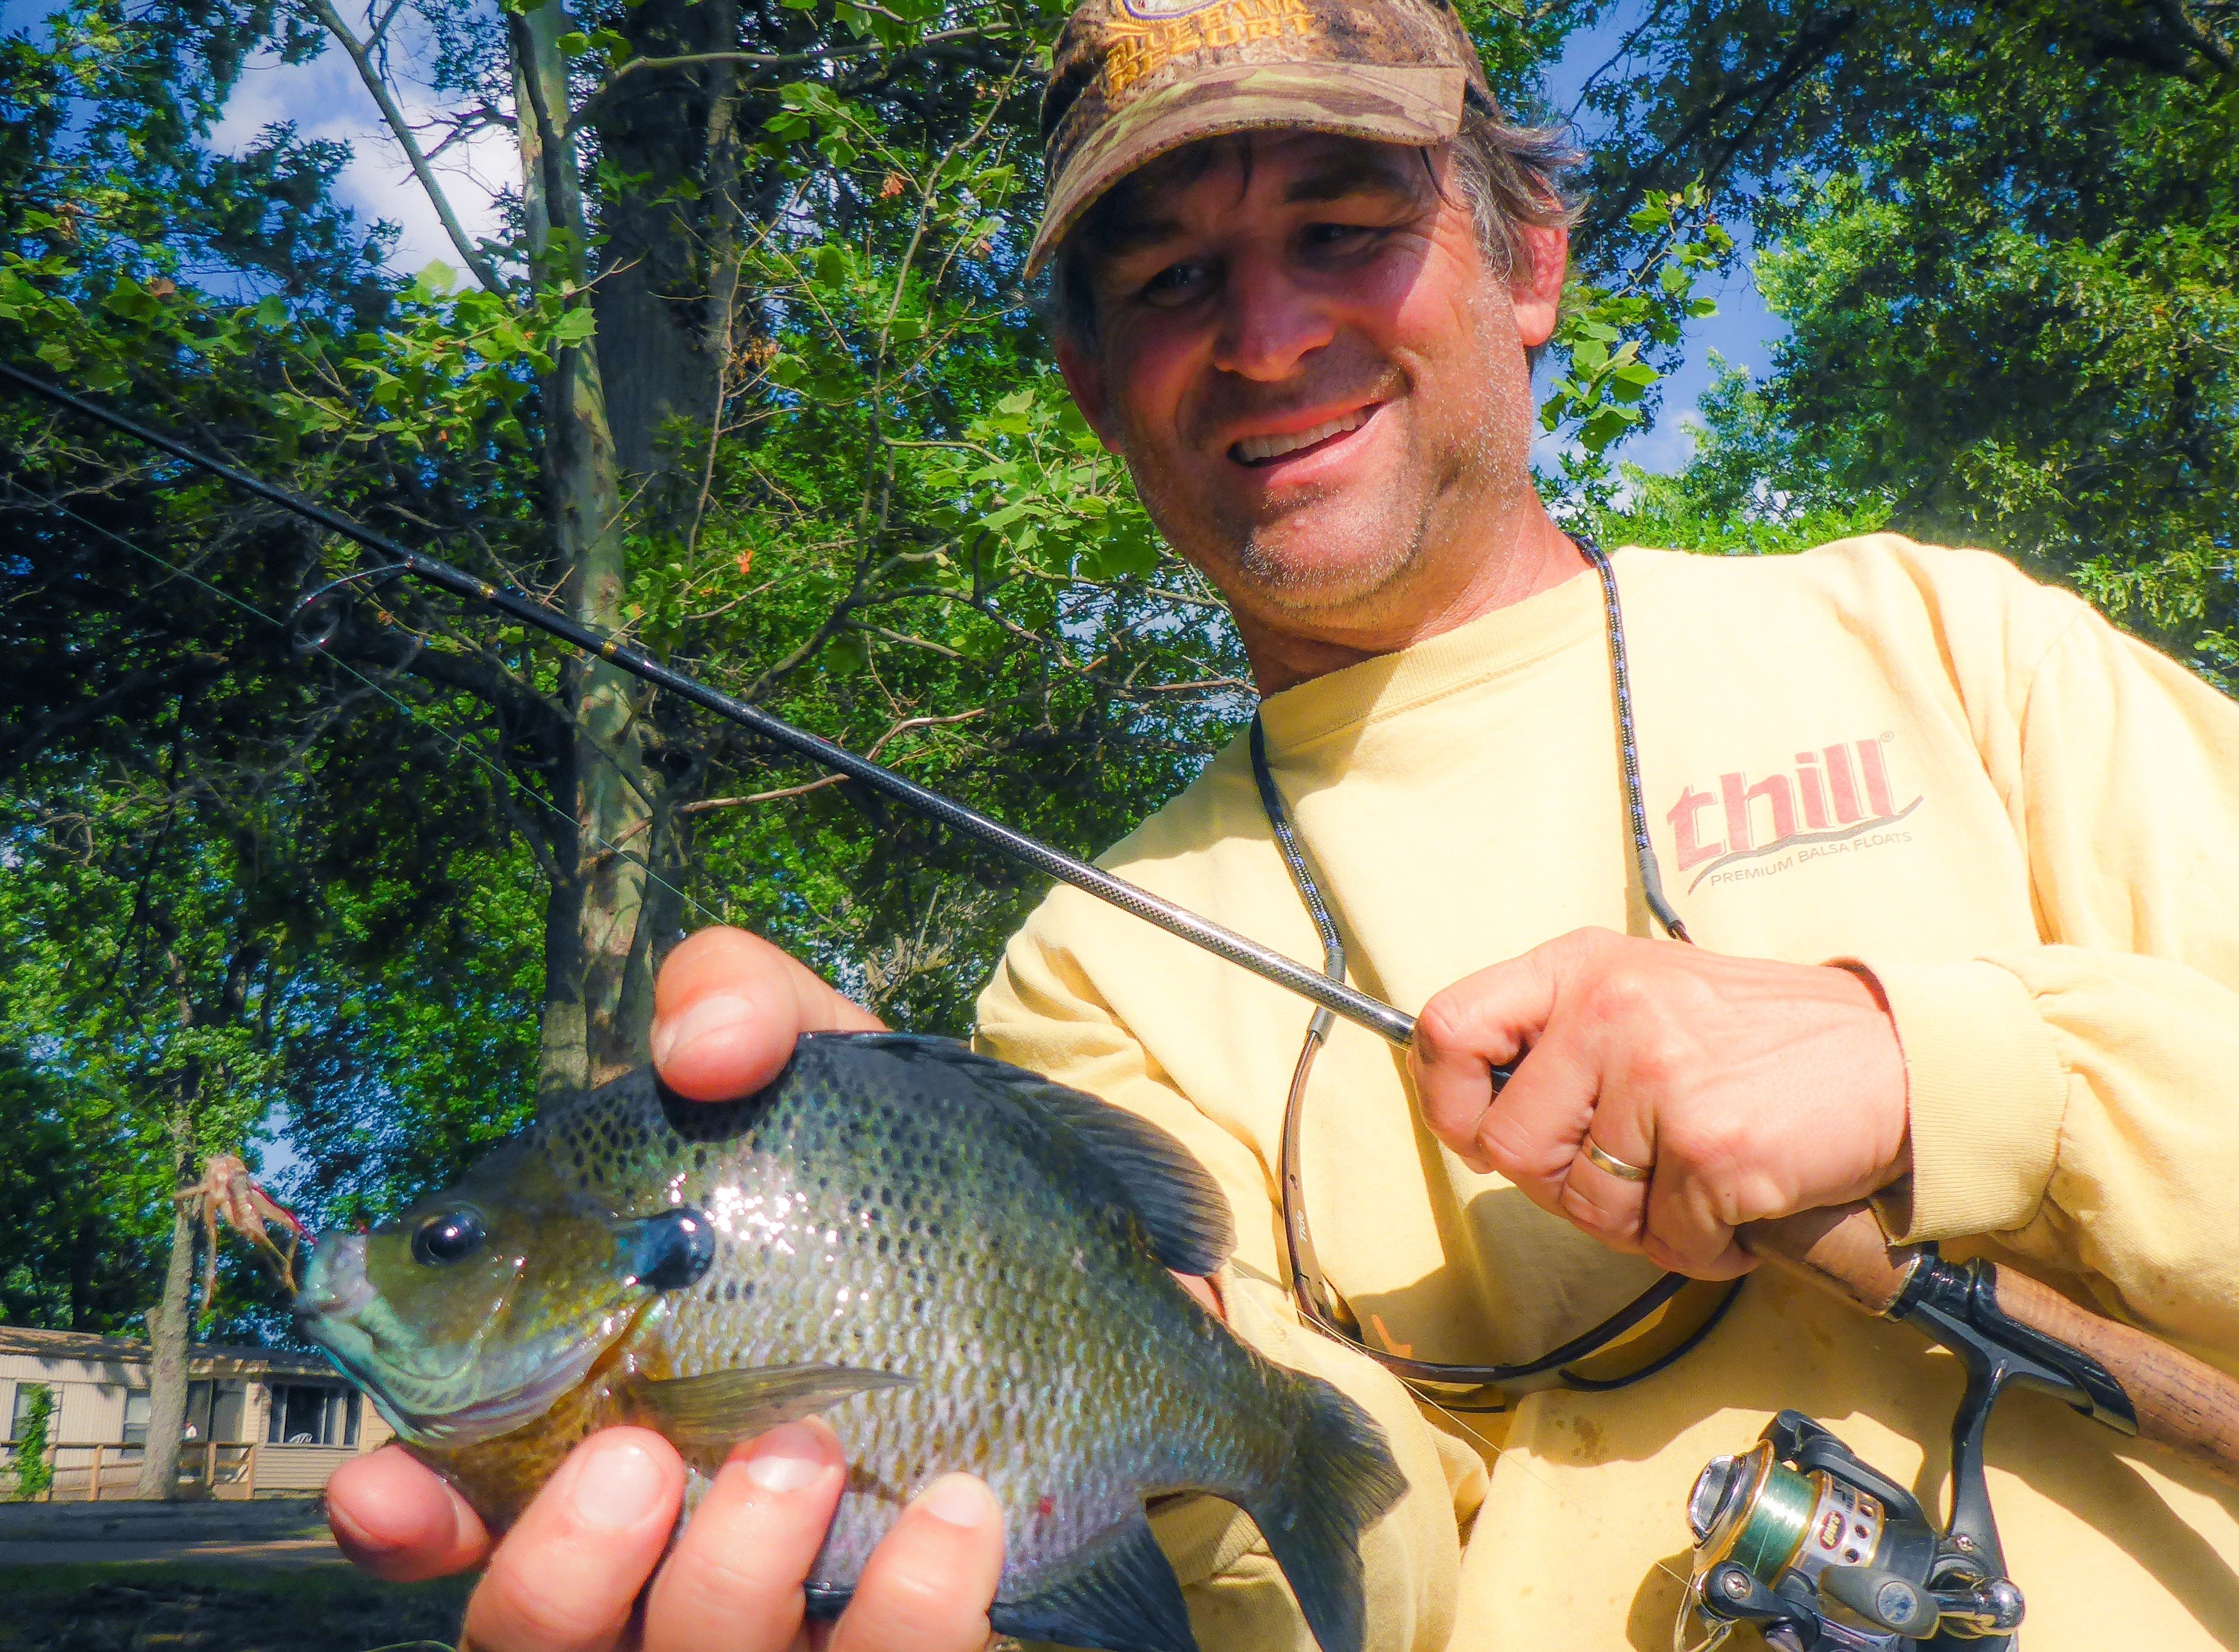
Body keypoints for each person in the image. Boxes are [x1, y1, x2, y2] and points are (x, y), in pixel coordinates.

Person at [324, 0, 2239, 1645]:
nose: (1264, 332)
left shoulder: (1946, 640)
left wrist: (1953, 1064)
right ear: (1090, 385)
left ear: (1528, 261)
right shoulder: (1094, 975)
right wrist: (977, 1535)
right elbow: (1338, 1549)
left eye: (1341, 224)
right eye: (1167, 280)